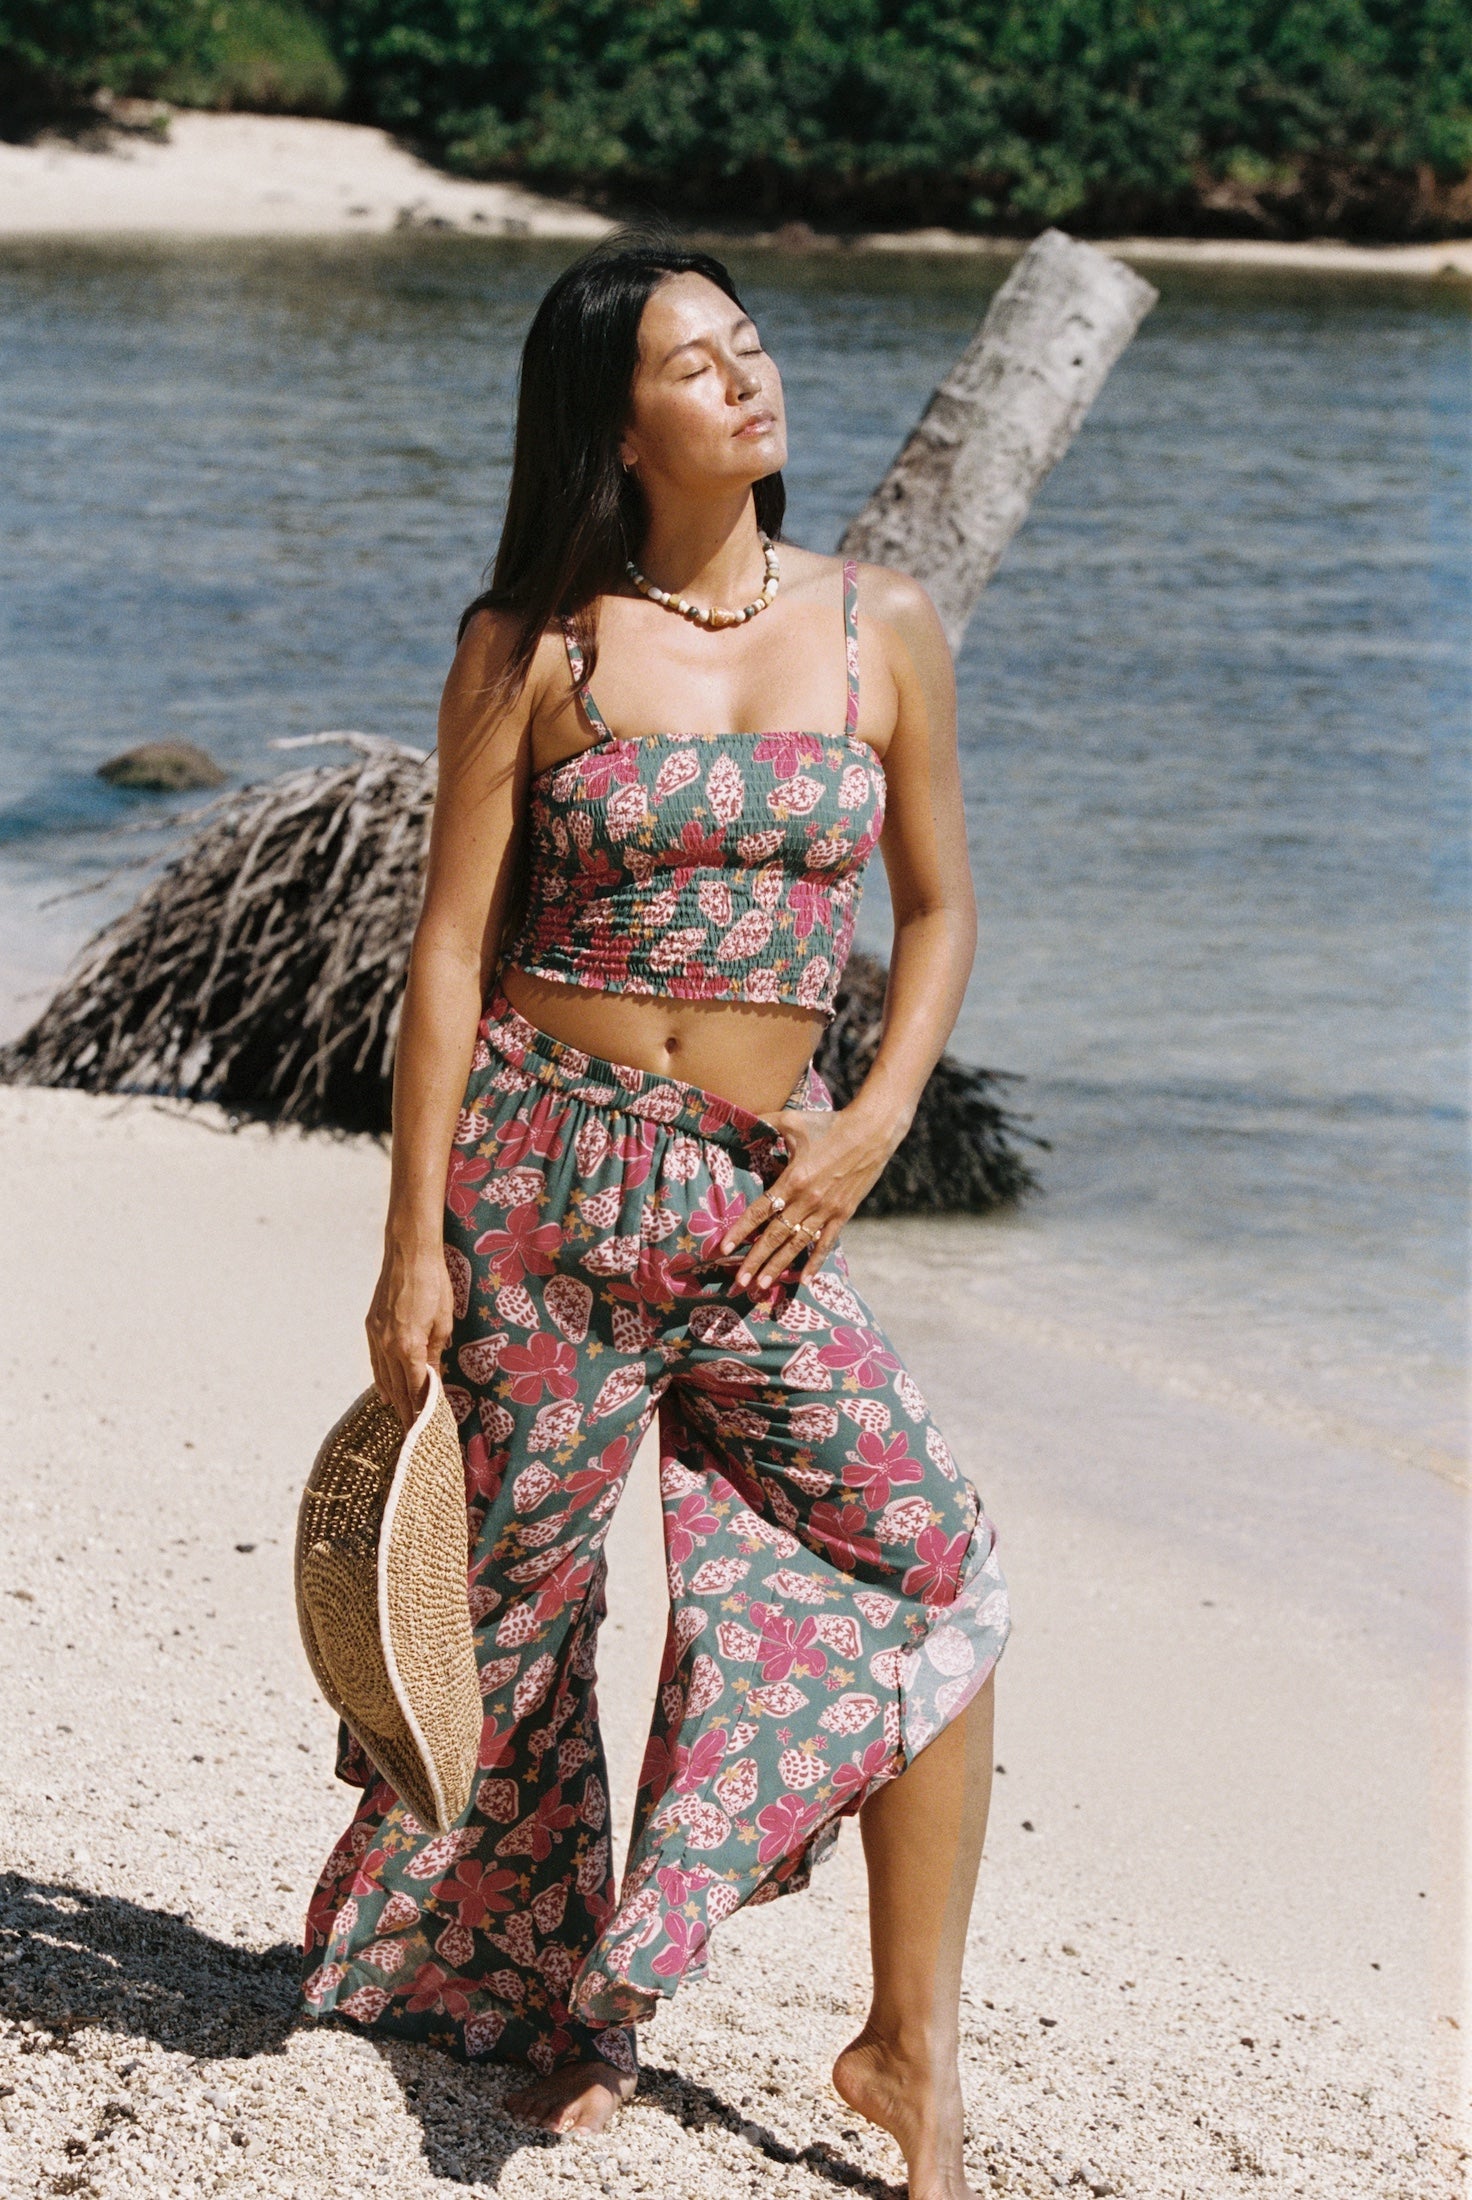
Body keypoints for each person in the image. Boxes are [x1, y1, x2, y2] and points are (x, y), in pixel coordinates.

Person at [302, 230, 1010, 2200]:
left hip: (759, 1200)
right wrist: (409, 1242)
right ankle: (565, 2007)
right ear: (612, 420)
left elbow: (939, 905)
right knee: (520, 1617)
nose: (748, 381)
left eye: (752, 346)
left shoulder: (882, 625)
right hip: (541, 1166)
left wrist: (871, 1120)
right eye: (697, 363)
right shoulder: (531, 642)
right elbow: (448, 957)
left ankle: (907, 2048)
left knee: (928, 1565)